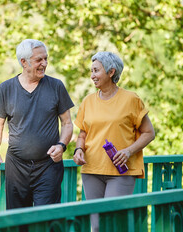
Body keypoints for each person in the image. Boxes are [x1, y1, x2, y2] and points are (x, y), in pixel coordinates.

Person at [0, 39, 74, 211]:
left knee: (46, 220)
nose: (44, 64)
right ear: (23, 62)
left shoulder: (56, 86)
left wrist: (61, 145)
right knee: (19, 221)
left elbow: (67, 123)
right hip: (16, 168)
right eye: (39, 60)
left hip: (48, 166)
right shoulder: (6, 88)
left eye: (46, 59)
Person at [73, 51, 155, 232]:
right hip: (91, 170)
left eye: (96, 70)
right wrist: (78, 150)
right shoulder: (87, 101)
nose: (92, 75)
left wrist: (128, 151)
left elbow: (149, 133)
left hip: (121, 172)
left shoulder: (131, 99)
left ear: (111, 72)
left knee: (112, 225)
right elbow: (82, 134)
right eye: (91, 71)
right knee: (95, 226)